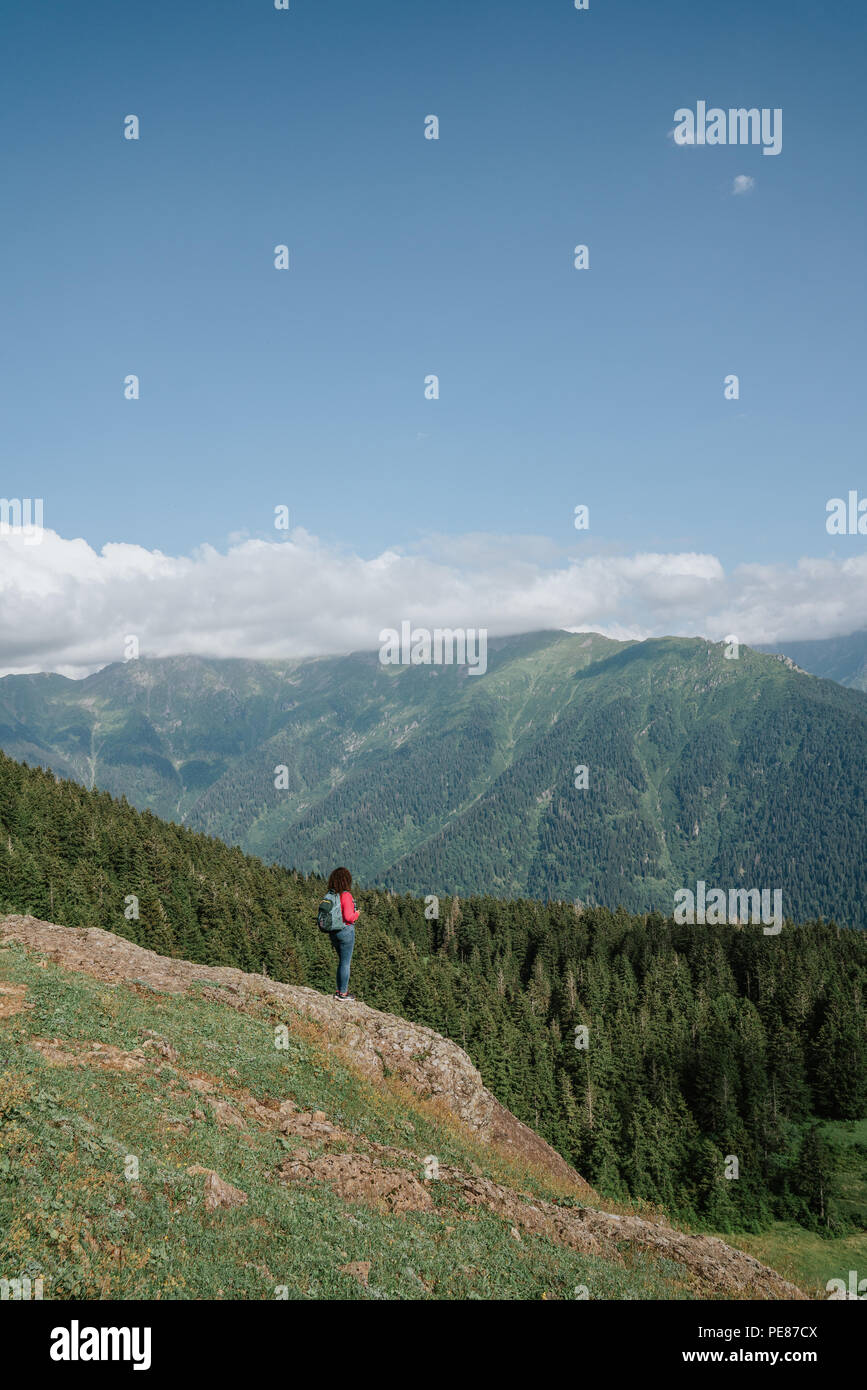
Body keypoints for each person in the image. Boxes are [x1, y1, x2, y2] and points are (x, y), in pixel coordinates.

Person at [326, 866, 359, 1000]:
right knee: (345, 963)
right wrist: (357, 914)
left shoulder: (332, 895)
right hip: (346, 931)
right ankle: (343, 993)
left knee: (342, 962)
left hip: (333, 932)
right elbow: (349, 917)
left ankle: (340, 990)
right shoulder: (346, 895)